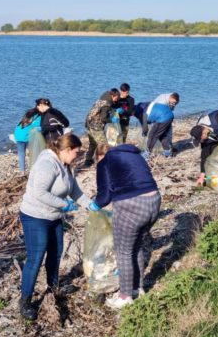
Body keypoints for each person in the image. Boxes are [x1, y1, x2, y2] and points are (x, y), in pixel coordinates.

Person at [18, 133, 93, 320]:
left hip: (53, 216)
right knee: (36, 257)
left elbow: (74, 190)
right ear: (66, 150)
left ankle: (53, 287)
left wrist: (91, 205)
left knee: (56, 251)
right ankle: (25, 300)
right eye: (76, 152)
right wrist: (63, 204)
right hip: (35, 215)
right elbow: (38, 192)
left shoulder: (67, 165)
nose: (78, 155)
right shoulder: (47, 164)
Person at [90, 143, 160, 310]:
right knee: (136, 247)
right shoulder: (134, 155)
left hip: (132, 205)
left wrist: (94, 205)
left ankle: (125, 296)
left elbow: (105, 195)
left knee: (124, 251)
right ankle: (137, 289)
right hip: (154, 202)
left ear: (100, 156)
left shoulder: (105, 161)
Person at [84, 89, 119, 167]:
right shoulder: (106, 104)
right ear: (113, 96)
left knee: (93, 143)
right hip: (96, 125)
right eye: (117, 98)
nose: (117, 100)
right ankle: (103, 163)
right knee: (103, 145)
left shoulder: (103, 98)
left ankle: (88, 161)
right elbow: (103, 118)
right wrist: (112, 120)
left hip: (89, 122)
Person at [142, 92, 179, 158]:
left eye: (175, 103)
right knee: (159, 134)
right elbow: (155, 112)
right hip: (159, 116)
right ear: (171, 97)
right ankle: (168, 151)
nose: (174, 104)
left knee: (154, 135)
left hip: (165, 117)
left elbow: (170, 110)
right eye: (173, 103)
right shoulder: (162, 100)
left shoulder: (172, 102)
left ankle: (147, 154)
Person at [13, 108, 41, 172]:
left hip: (17, 136)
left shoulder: (26, 115)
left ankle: (22, 172)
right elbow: (38, 128)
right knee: (34, 153)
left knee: (21, 154)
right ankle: (34, 170)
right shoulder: (39, 117)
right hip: (26, 137)